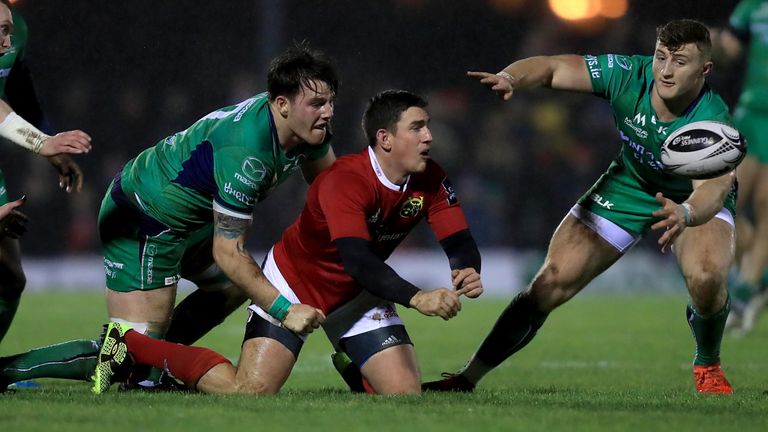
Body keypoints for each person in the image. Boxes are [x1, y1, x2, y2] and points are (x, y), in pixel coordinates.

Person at [91, 89, 483, 395]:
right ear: (385, 138)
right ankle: (135, 348)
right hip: (296, 284)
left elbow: (458, 236)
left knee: (405, 395)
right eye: (417, 127)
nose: (429, 136)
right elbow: (357, 260)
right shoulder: (345, 181)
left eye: (427, 125)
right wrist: (418, 298)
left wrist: (466, 266)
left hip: (359, 291)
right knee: (250, 392)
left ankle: (353, 361)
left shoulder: (431, 178)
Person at [423, 19, 738, 395]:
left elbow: (713, 190)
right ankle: (467, 379)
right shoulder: (627, 74)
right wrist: (511, 77)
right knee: (549, 283)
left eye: (680, 61)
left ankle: (707, 362)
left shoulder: (712, 121)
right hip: (629, 185)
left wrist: (685, 213)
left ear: (705, 69)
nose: (666, 71)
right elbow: (554, 67)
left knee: (706, 280)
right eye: (661, 57)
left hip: (689, 199)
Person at [0, 43, 336, 391]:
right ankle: (6, 370)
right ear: (281, 104)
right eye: (316, 103)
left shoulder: (305, 127)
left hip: (190, 223)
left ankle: (150, 363)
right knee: (124, 353)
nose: (327, 112)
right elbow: (228, 252)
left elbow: (333, 191)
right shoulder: (246, 152)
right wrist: (285, 310)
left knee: (233, 288)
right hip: (143, 219)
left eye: (330, 102)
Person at [0, 0, 91, 346]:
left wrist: (48, 142)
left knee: (10, 278)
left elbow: (17, 93)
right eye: (2, 33)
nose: (7, 42)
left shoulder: (16, 29)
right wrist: (41, 143)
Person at [710, 0, 768, 335]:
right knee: (727, 200)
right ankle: (758, 278)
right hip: (751, 111)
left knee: (765, 208)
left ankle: (744, 294)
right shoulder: (752, 6)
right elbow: (730, 50)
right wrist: (713, 42)